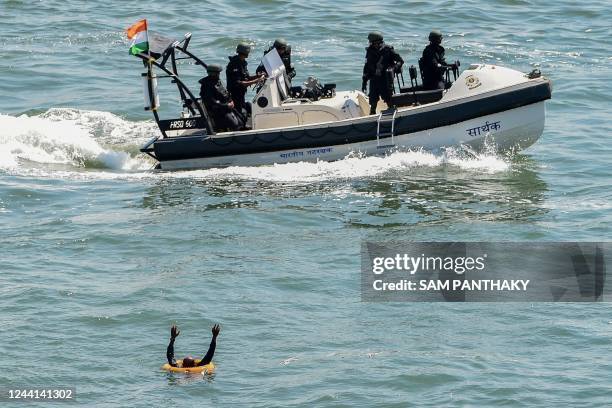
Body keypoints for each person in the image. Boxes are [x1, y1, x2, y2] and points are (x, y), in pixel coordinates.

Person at [361, 31, 404, 115]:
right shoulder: (370, 51)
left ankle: (392, 113)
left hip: (385, 80)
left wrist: (392, 69)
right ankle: (372, 116)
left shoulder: (388, 50)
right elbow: (366, 67)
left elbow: (400, 61)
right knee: (373, 100)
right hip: (374, 79)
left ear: (376, 42)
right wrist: (364, 82)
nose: (370, 43)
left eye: (371, 42)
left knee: (388, 99)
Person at [199, 64, 244, 131]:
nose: (219, 74)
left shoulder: (217, 82)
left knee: (241, 120)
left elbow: (225, 93)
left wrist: (231, 101)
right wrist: (227, 105)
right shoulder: (207, 86)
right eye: (218, 73)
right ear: (213, 73)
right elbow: (212, 102)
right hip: (218, 111)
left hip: (226, 108)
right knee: (235, 125)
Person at [226, 42, 265, 119]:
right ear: (246, 52)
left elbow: (247, 77)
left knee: (248, 108)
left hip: (241, 93)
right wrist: (256, 80)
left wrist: (258, 76)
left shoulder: (242, 62)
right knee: (240, 114)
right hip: (235, 93)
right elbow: (239, 83)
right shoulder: (234, 64)